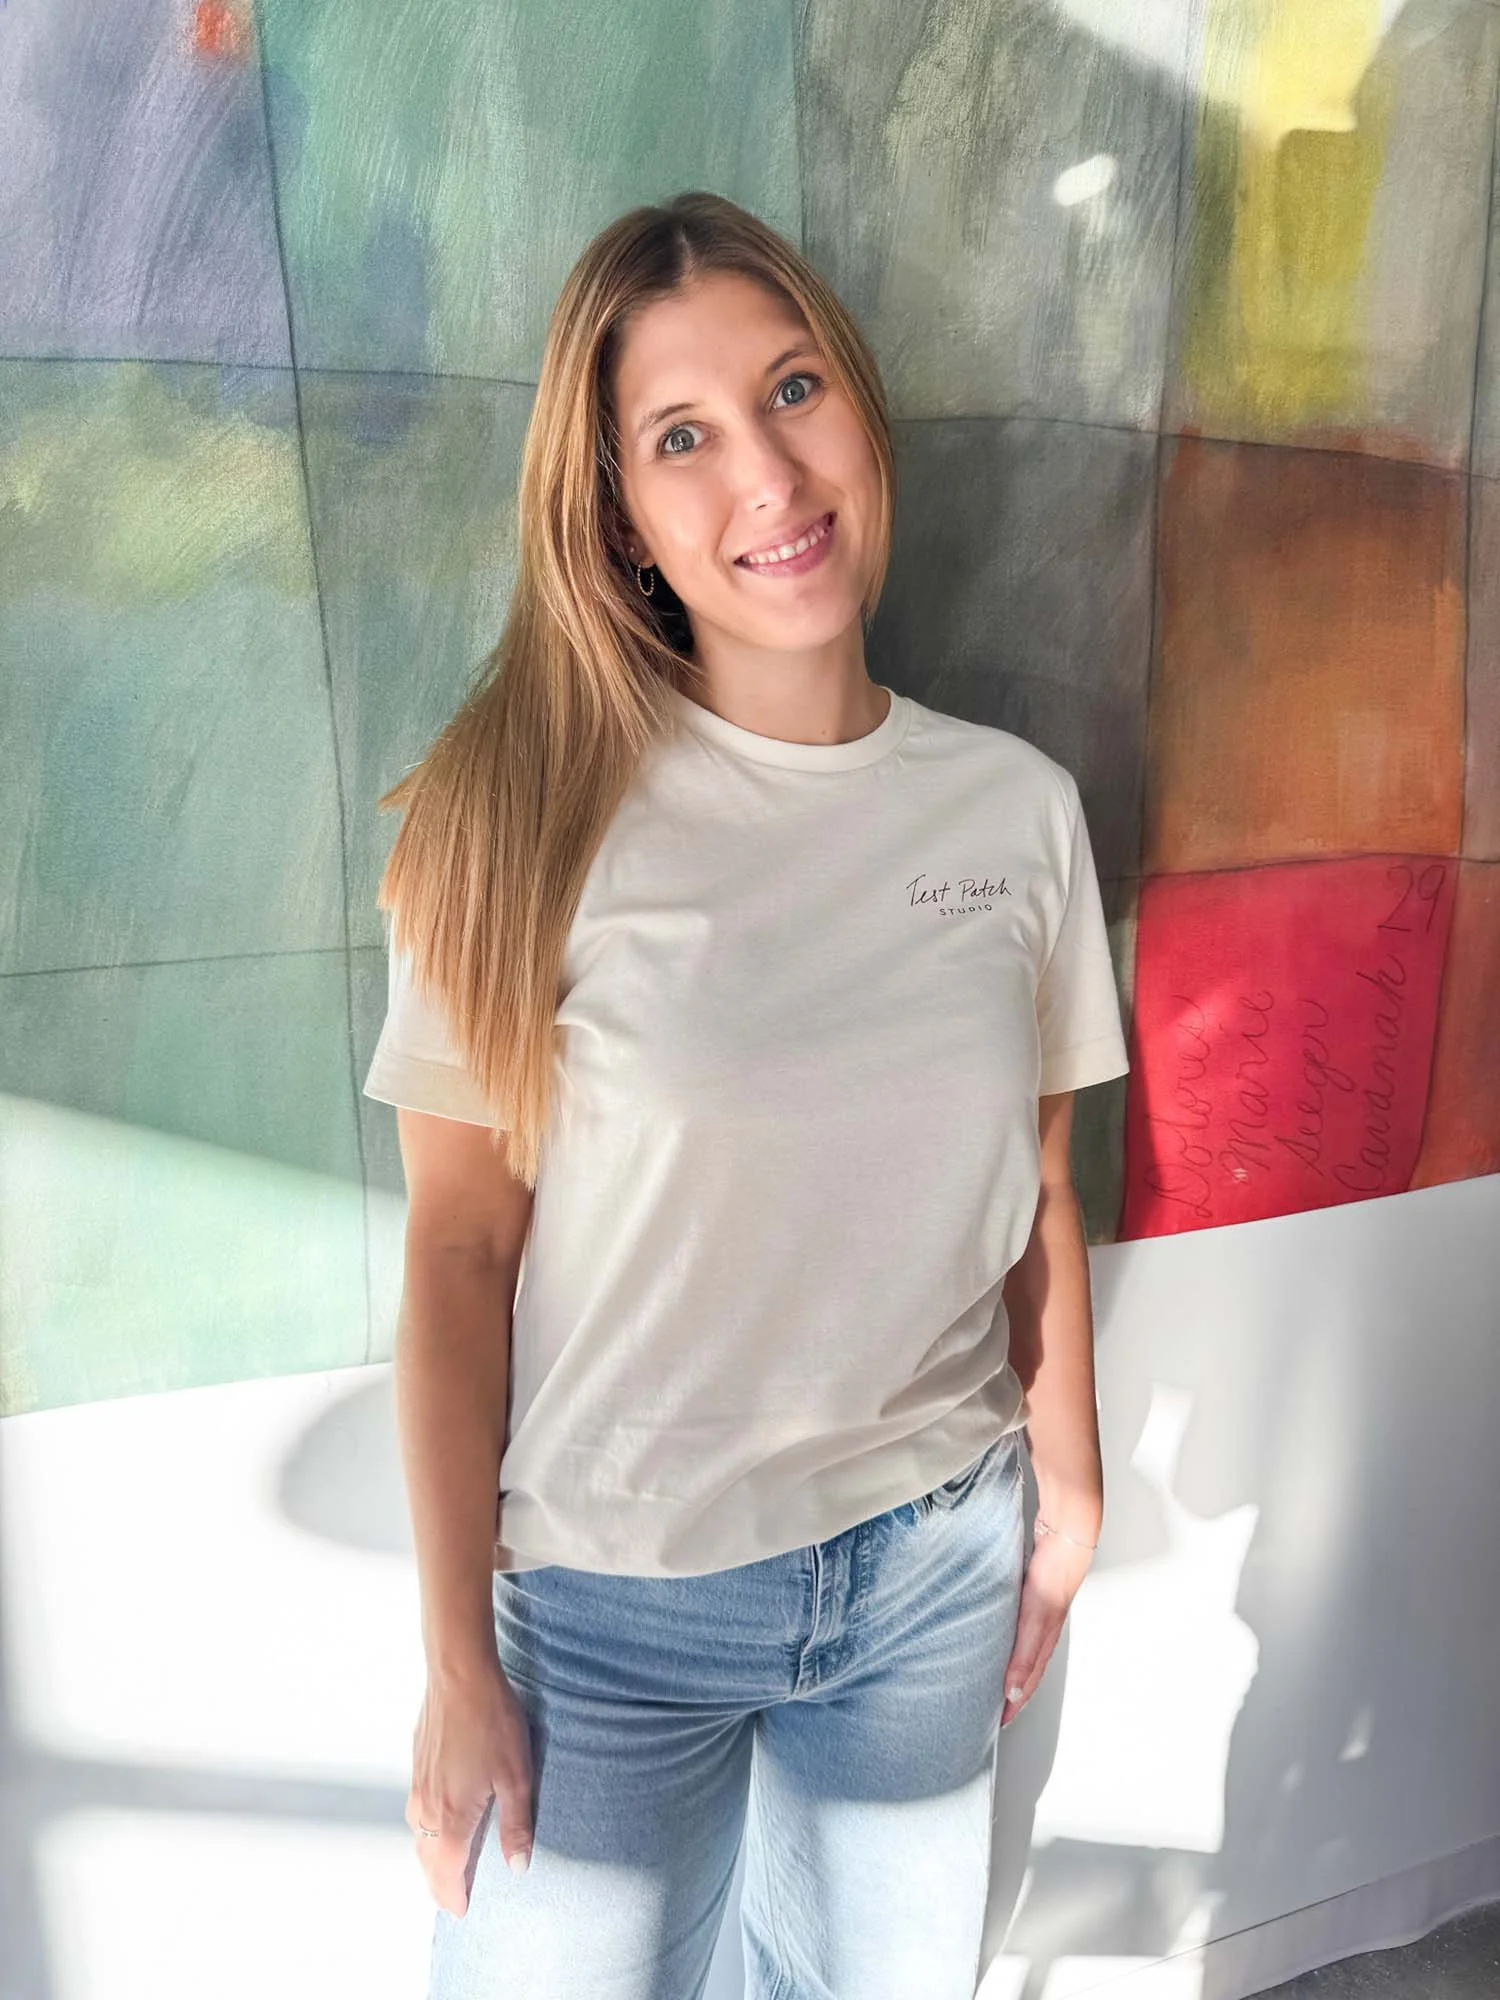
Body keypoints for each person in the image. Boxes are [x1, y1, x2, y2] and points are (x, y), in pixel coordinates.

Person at [361, 189, 1130, 2000]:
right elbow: (460, 1256)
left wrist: (1070, 1487)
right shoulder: (509, 816)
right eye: (682, 438)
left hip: (933, 1571)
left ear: (858, 406)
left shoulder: (1018, 811)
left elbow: (1038, 1186)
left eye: (793, 391)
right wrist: (457, 1662)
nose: (768, 478)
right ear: (618, 516)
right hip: (611, 1606)